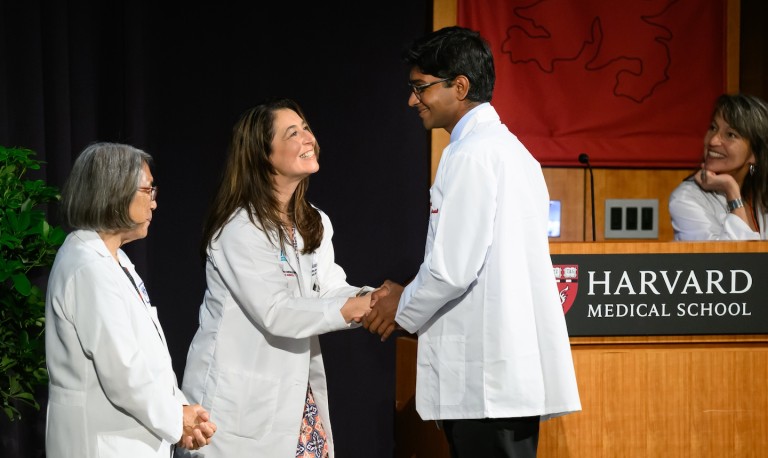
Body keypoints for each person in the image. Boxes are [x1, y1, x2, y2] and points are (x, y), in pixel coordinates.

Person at [362, 26, 582, 457]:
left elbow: (451, 270)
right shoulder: (513, 151)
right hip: (505, 378)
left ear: (459, 86)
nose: (412, 100)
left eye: (420, 87)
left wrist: (399, 306)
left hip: (485, 385)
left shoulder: (470, 155)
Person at [176, 98, 380, 458]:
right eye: (293, 132)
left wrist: (376, 299)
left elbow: (330, 288)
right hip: (238, 408)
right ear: (262, 155)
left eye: (306, 128)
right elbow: (276, 311)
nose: (309, 138)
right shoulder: (239, 229)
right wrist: (360, 308)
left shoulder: (313, 221)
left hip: (293, 397)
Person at [45, 142, 216, 458]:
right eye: (147, 191)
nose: (154, 204)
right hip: (101, 445)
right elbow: (124, 372)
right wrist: (176, 420)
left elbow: (148, 360)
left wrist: (180, 408)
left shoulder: (115, 260)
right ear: (114, 193)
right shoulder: (87, 267)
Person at [669, 93, 768, 240]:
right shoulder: (686, 198)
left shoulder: (761, 194)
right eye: (713, 128)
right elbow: (733, 260)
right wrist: (731, 190)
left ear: (755, 153)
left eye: (730, 134)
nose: (713, 141)